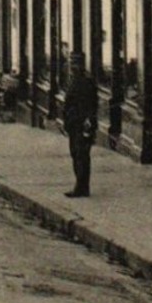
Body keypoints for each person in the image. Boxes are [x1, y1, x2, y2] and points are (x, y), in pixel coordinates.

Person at [63, 51, 98, 198]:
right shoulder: (74, 81)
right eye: (71, 63)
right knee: (76, 154)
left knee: (81, 155)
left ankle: (81, 187)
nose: (72, 66)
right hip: (74, 123)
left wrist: (89, 121)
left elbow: (92, 105)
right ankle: (81, 186)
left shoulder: (85, 82)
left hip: (82, 124)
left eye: (75, 64)